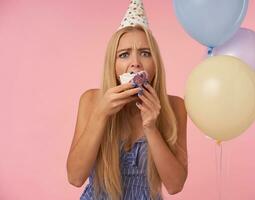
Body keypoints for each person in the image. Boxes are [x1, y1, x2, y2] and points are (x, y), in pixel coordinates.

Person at [66, 1, 188, 199]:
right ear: (113, 65)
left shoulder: (175, 106)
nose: (135, 63)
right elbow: (75, 177)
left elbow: (175, 186)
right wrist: (101, 114)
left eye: (145, 53)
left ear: (155, 64)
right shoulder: (91, 100)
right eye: (124, 55)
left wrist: (151, 128)